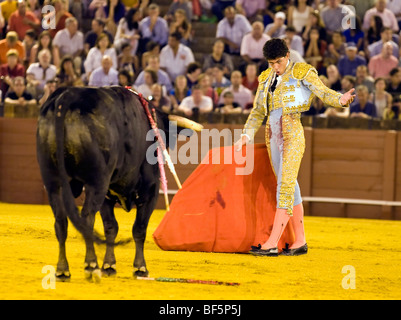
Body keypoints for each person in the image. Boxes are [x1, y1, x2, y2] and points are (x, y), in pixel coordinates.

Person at [235, 38, 355, 256]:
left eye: (278, 62)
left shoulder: (302, 72)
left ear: (287, 55)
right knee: (291, 186)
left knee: (285, 186)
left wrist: (341, 99)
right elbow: (257, 112)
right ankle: (300, 241)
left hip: (293, 137)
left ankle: (272, 243)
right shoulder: (265, 78)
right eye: (271, 63)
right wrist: (245, 135)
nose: (275, 67)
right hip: (272, 139)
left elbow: (323, 92)